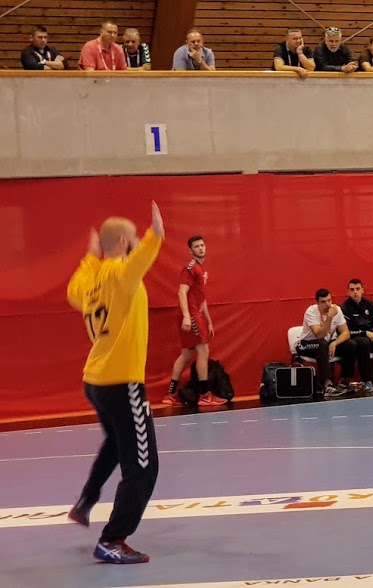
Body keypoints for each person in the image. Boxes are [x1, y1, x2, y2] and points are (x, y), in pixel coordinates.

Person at [65, 202, 164, 564]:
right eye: (132, 237)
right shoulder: (123, 273)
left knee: (116, 441)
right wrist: (155, 235)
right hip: (123, 382)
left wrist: (91, 258)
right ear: (123, 242)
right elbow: (141, 259)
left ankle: (86, 499)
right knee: (144, 466)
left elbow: (73, 290)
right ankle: (113, 539)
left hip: (95, 381)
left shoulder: (91, 281)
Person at [164, 235, 226, 407]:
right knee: (203, 350)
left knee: (187, 353)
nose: (200, 248)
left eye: (202, 245)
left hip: (195, 314)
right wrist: (186, 316)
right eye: (197, 246)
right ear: (190, 250)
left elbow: (201, 298)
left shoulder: (201, 269)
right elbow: (182, 292)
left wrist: (209, 321)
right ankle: (205, 395)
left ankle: (170, 395)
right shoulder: (190, 268)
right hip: (191, 315)